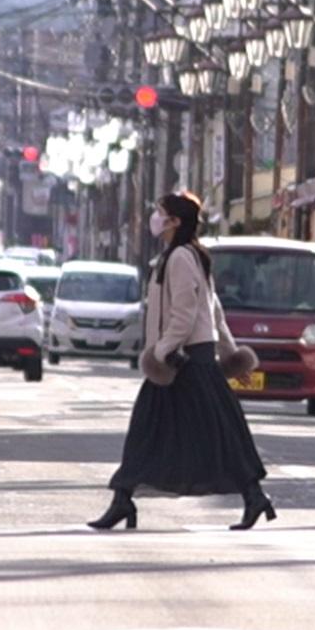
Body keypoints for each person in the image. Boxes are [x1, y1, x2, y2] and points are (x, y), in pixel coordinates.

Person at [87, 191, 274, 532]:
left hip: (183, 362)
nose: (155, 218)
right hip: (187, 359)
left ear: (174, 221)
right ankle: (123, 498)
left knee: (210, 432)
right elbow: (214, 312)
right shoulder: (185, 256)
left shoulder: (181, 258)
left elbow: (187, 315)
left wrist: (161, 353)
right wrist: (230, 354)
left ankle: (253, 495)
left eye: (161, 213)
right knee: (178, 431)